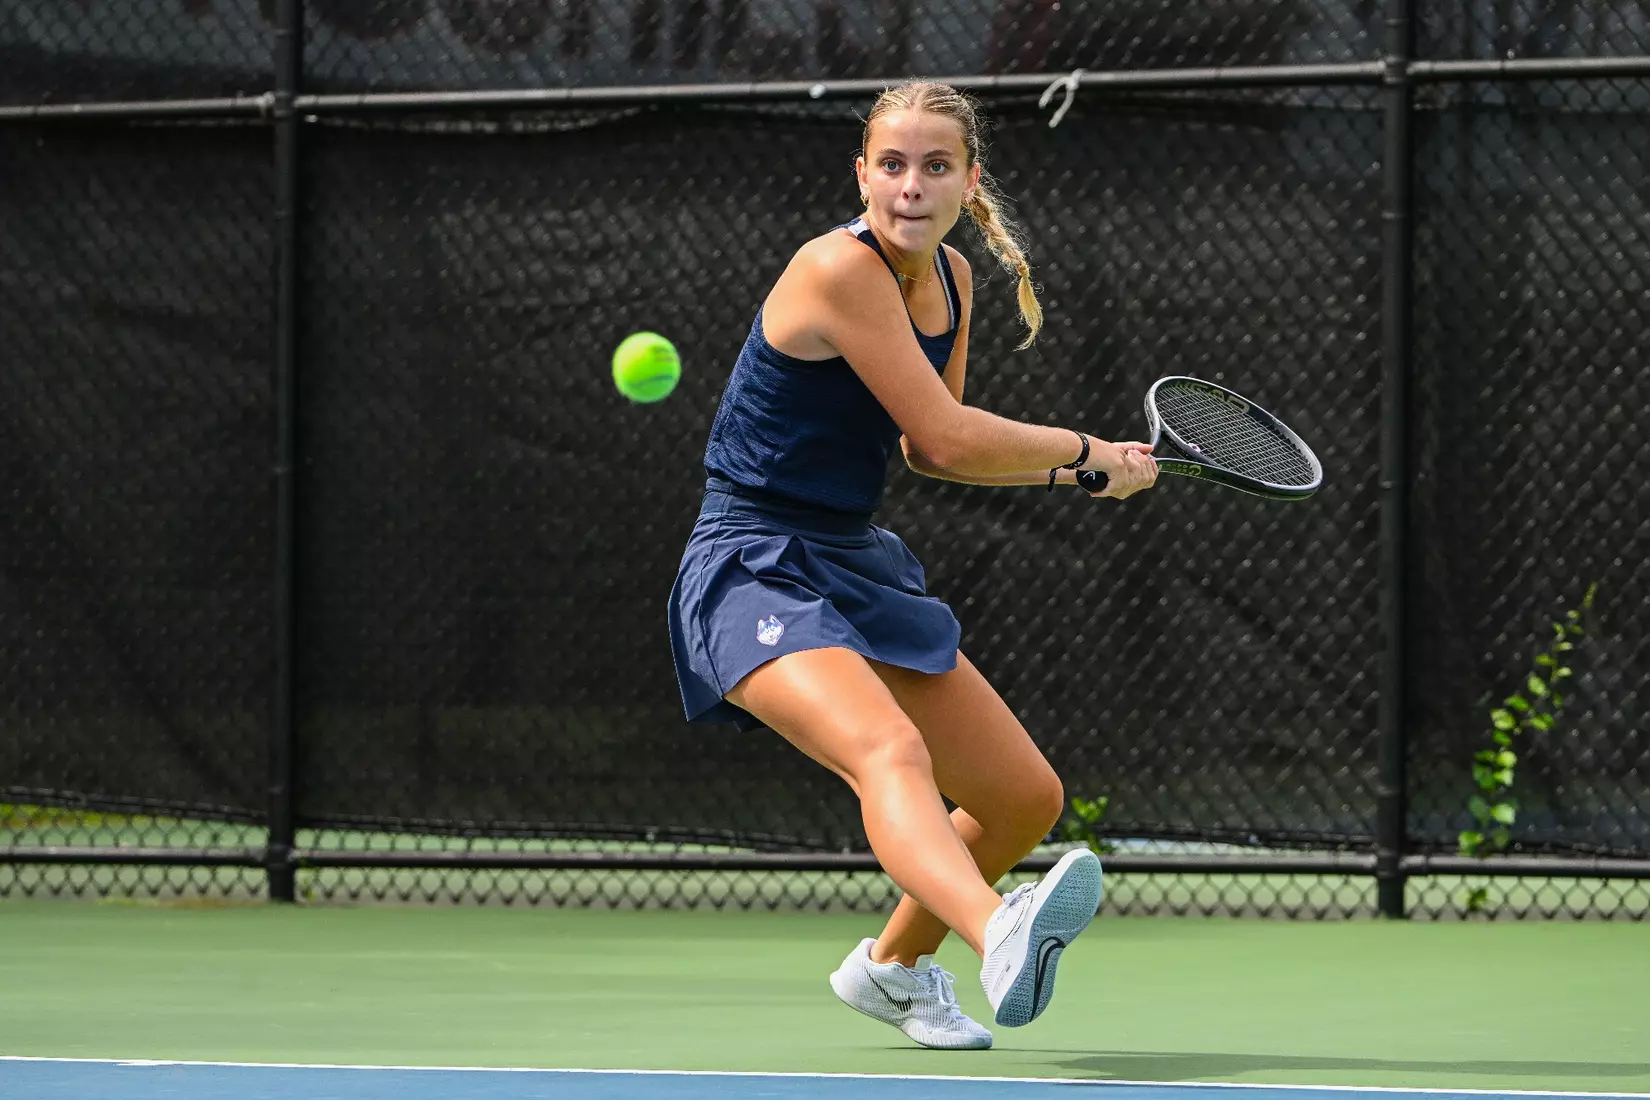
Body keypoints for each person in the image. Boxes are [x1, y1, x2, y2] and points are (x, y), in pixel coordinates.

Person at [666, 80, 1159, 1050]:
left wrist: (1080, 468)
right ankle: (996, 928)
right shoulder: (836, 270)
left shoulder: (955, 285)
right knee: (890, 752)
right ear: (862, 174)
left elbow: (932, 452)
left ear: (970, 182)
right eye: (890, 164)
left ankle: (890, 967)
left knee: (1023, 796)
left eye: (936, 166)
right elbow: (947, 431)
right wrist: (1087, 454)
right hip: (751, 558)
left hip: (852, 557)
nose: (910, 185)